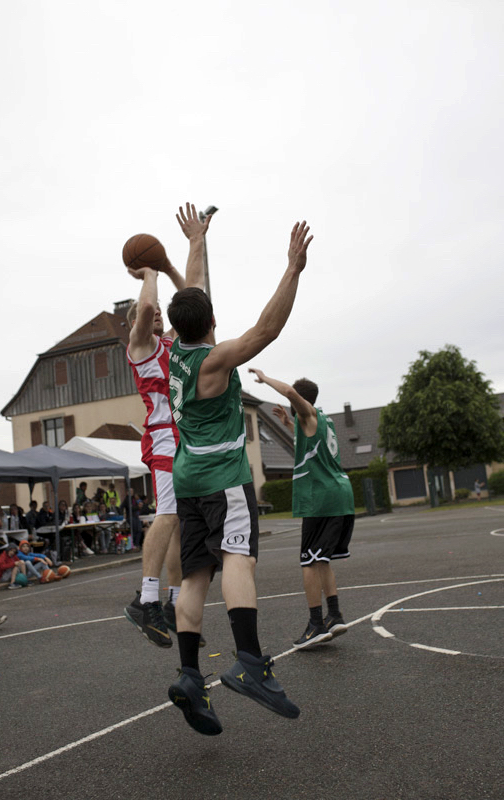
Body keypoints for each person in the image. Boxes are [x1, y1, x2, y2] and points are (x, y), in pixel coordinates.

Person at [164, 220, 312, 735]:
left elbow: (192, 292)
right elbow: (265, 331)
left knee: (194, 576)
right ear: (211, 320)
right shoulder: (214, 359)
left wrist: (196, 242)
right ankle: (249, 662)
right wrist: (293, 269)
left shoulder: (174, 350)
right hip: (222, 478)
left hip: (186, 480)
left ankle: (189, 675)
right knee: (238, 557)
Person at [123, 203, 213, 649]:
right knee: (169, 514)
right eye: (153, 312)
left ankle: (175, 602)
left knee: (180, 524)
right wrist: (149, 274)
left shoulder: (173, 345)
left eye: (161, 312)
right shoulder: (140, 347)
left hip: (185, 441)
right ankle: (145, 599)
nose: (157, 313)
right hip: (162, 440)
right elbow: (144, 309)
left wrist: (176, 262)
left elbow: (195, 298)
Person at [249, 369, 355, 649]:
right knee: (321, 560)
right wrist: (287, 423)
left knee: (308, 561)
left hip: (321, 497)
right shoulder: (323, 421)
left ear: (300, 401)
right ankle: (334, 615)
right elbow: (309, 443)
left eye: (293, 404)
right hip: (340, 494)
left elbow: (290, 392)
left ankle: (316, 624)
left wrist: (264, 378)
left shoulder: (307, 413)